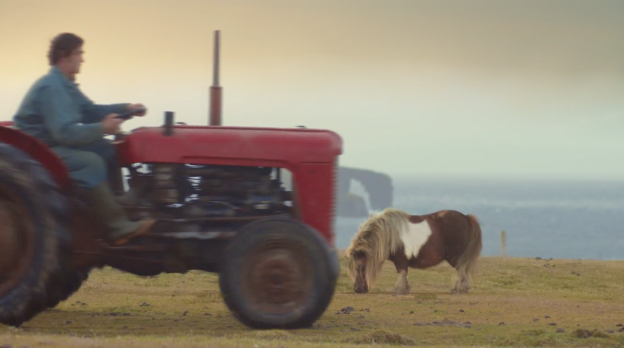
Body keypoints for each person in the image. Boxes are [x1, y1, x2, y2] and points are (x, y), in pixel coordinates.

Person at [12, 32, 155, 246]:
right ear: (64, 55)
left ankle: (118, 203)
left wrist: (126, 108)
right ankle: (117, 227)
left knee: (106, 149)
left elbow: (90, 110)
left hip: (52, 143)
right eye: (79, 53)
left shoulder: (64, 85)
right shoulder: (52, 87)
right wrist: (102, 127)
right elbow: (65, 133)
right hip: (39, 150)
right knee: (91, 162)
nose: (83, 59)